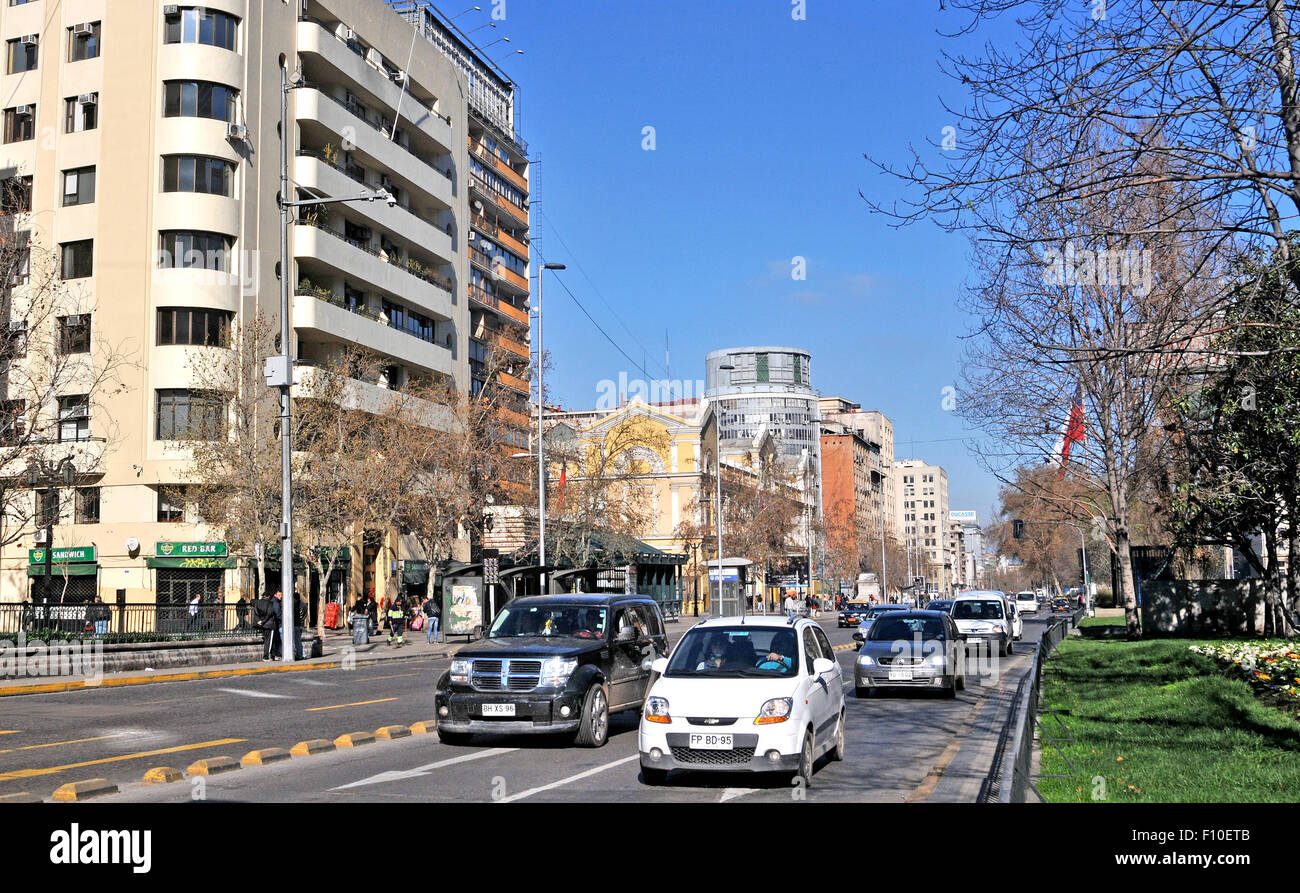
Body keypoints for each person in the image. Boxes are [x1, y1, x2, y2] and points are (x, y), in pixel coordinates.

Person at [253, 590, 278, 661]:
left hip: (262, 624)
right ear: (268, 597)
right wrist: (263, 621)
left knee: (269, 640)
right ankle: (266, 656)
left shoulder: (258, 602)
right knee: (269, 641)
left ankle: (273, 655)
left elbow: (256, 612)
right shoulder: (270, 603)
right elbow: (269, 613)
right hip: (269, 624)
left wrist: (259, 621)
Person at [293, 589, 308, 660]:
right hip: (300, 624)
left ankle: (300, 654)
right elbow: (304, 615)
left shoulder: (295, 605)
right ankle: (301, 654)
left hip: (295, 624)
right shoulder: (304, 605)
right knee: (298, 641)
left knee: (296, 641)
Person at [270, 589, 285, 659]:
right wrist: (284, 620)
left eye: (281, 595)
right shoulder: (276, 602)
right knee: (279, 640)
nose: (281, 596)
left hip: (276, 624)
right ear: (275, 595)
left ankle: (276, 654)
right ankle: (277, 654)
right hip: (277, 624)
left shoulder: (275, 602)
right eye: (279, 595)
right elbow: (278, 614)